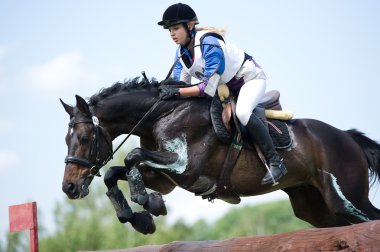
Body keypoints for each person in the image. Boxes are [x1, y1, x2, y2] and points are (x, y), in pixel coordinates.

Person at [157, 3, 287, 185]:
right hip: (227, 88)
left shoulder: (209, 43)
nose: (172, 33)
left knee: (242, 113)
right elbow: (179, 84)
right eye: (169, 29)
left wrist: (177, 92)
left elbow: (205, 88)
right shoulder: (181, 54)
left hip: (249, 80)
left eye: (176, 28)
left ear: (190, 26)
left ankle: (276, 162)